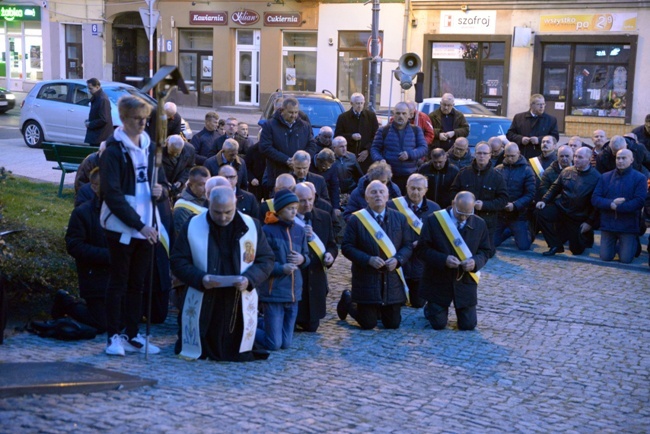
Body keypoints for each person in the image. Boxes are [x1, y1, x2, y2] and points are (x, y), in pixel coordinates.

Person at [170, 186, 274, 361]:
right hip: (204, 297)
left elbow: (266, 260)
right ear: (209, 204)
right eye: (217, 212)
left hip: (237, 299)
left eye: (228, 212)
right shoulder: (193, 225)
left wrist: (249, 280)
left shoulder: (251, 226)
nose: (223, 217)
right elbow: (178, 260)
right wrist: (201, 278)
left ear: (235, 204)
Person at [99, 94, 167, 356]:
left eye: (145, 119)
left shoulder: (150, 147)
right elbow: (112, 195)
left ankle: (132, 333)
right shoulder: (113, 151)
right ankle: (113, 336)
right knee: (119, 282)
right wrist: (139, 226)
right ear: (124, 119)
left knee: (138, 283)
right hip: (122, 227)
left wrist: (160, 190)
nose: (142, 124)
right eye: (137, 119)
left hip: (148, 225)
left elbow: (157, 183)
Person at [338, 181, 414, 330]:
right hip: (366, 278)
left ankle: (380, 308)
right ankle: (348, 299)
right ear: (366, 198)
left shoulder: (400, 218)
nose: (378, 195)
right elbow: (347, 247)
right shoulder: (356, 219)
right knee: (368, 324)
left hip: (392, 280)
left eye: (381, 192)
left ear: (387, 196)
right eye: (373, 192)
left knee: (392, 324)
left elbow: (408, 245)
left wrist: (398, 260)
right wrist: (368, 260)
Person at [416, 191, 491, 331]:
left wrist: (475, 262)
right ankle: (430, 307)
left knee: (468, 325)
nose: (463, 218)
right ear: (453, 204)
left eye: (467, 214)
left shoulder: (479, 224)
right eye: (460, 212)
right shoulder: (434, 220)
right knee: (438, 324)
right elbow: (422, 250)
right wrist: (443, 259)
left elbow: (486, 251)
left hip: (464, 282)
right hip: (438, 280)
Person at [256, 189, 310, 350]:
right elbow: (262, 262)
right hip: (274, 292)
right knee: (274, 344)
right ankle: (247, 327)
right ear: (279, 210)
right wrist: (281, 268)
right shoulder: (267, 231)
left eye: (295, 207)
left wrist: (303, 259)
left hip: (293, 293)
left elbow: (307, 256)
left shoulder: (300, 231)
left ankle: (266, 324)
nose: (294, 211)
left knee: (285, 344)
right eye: (289, 208)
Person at [60, 167, 108, 332]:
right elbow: (74, 245)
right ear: (94, 187)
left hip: (118, 276)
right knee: (102, 324)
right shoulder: (82, 213)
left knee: (127, 319)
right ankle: (65, 301)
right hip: (94, 276)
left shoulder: (121, 212)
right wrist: (107, 256)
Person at [387, 173, 440, 308]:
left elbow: (438, 238)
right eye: (412, 188)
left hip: (420, 264)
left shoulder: (435, 209)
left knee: (417, 303)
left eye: (419, 189)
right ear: (406, 187)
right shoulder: (392, 206)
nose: (415, 192)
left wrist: (421, 243)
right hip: (398, 262)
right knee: (397, 303)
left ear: (425, 190)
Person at [536, 147, 601, 256]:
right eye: (575, 156)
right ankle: (555, 245)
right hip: (561, 208)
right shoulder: (566, 171)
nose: (576, 159)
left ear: (589, 159)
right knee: (541, 212)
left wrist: (589, 222)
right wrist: (544, 200)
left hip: (578, 216)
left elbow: (596, 206)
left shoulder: (597, 178)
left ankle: (583, 236)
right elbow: (554, 188)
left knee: (577, 251)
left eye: (580, 157)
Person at [450, 143, 508, 257]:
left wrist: (485, 205)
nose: (482, 156)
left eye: (485, 153)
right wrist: (463, 204)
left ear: (490, 155)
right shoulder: (464, 173)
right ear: (474, 154)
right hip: (464, 219)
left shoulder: (497, 176)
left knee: (487, 253)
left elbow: (503, 199)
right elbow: (453, 192)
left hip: (487, 221)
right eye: (479, 153)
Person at [294, 183, 338, 332]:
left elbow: (332, 244)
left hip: (316, 277)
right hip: (296, 277)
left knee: (311, 327)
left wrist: (330, 255)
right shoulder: (288, 219)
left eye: (310, 199)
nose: (307, 204)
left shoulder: (324, 217)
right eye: (302, 200)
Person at [592, 149, 647, 264]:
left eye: (624, 158)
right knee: (605, 257)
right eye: (618, 158)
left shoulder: (640, 178)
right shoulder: (605, 177)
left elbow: (639, 201)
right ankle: (620, 245)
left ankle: (632, 243)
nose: (620, 161)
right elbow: (595, 198)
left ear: (631, 160)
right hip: (608, 224)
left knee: (625, 259)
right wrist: (610, 204)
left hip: (628, 225)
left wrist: (618, 207)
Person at [259, 97, 317, 189]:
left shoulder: (305, 126)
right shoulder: (269, 125)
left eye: (296, 112)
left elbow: (312, 145)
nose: (293, 115)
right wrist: (286, 160)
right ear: (282, 110)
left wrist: (301, 160)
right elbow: (265, 147)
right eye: (290, 112)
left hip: (300, 177)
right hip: (277, 174)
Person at [370, 101, 428, 192]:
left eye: (404, 113)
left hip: (410, 176)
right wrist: (380, 160)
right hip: (390, 177)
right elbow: (374, 149)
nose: (401, 116)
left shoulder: (416, 130)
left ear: (409, 115)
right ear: (394, 114)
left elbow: (424, 148)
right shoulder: (383, 130)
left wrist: (409, 154)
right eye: (398, 113)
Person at [494, 143, 536, 250]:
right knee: (493, 243)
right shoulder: (498, 169)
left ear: (518, 153)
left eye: (513, 156)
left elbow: (530, 194)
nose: (510, 158)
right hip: (501, 214)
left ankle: (526, 230)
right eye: (507, 156)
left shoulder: (527, 170)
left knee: (524, 246)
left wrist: (515, 205)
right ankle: (508, 231)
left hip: (518, 215)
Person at [335, 92, 379, 173]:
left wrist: (367, 150)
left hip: (366, 157)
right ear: (351, 103)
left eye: (362, 103)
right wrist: (351, 136)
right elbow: (338, 136)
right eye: (357, 103)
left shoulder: (371, 116)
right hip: (348, 156)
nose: (360, 106)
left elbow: (376, 136)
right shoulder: (343, 118)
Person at [506, 94, 559, 159]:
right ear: (531, 105)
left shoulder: (551, 119)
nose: (542, 107)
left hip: (542, 157)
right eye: (539, 104)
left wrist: (539, 140)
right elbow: (510, 134)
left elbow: (555, 137)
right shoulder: (519, 117)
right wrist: (521, 139)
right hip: (522, 156)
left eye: (543, 104)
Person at [172, 166, 210, 236]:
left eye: (208, 183)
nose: (206, 188)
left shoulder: (209, 198)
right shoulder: (181, 209)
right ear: (190, 185)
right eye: (201, 185)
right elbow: (183, 237)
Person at [162, 134, 196, 201]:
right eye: (172, 152)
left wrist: (181, 181)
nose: (174, 155)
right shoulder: (159, 151)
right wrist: (164, 181)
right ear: (167, 144)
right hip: (163, 184)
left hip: (179, 186)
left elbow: (190, 168)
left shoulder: (190, 150)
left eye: (177, 153)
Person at [84, 78, 113, 147]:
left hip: (100, 137)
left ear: (97, 87)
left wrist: (90, 124)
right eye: (88, 88)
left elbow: (103, 119)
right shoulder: (99, 97)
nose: (89, 91)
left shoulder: (102, 99)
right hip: (98, 136)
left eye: (90, 88)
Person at [312, 148, 341, 213]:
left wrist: (335, 207)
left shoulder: (333, 167)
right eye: (324, 166)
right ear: (318, 160)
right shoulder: (308, 163)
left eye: (329, 167)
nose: (326, 169)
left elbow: (334, 187)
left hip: (324, 198)